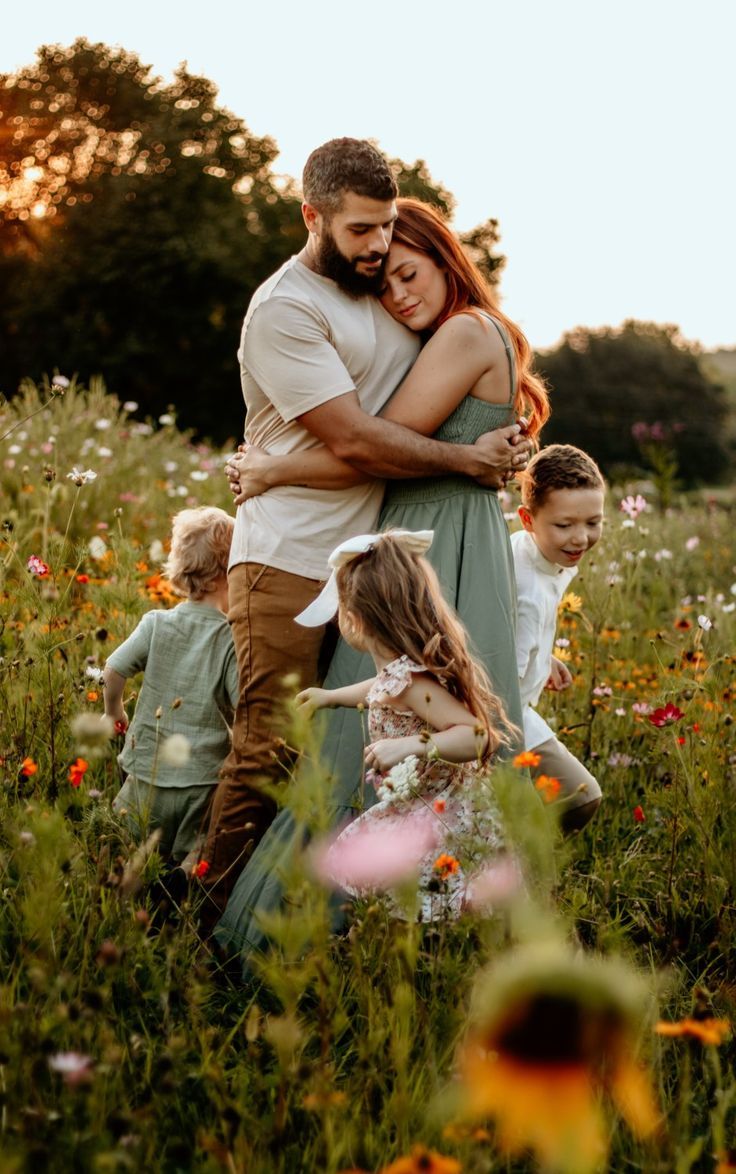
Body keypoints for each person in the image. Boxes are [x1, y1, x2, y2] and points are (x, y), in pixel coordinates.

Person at [199, 141, 532, 931]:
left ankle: (366, 911)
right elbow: (357, 440)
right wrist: (468, 458)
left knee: (358, 741)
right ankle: (215, 923)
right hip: (288, 554)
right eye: (362, 233)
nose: (380, 252)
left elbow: (441, 397)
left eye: (390, 235)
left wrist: (494, 448)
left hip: (369, 560)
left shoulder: (379, 298)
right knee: (273, 746)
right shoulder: (286, 308)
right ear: (312, 216)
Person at [297, 530, 511, 920]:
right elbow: (381, 689)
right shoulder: (397, 674)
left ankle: (422, 969)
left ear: (355, 620)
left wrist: (410, 745)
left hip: (443, 813)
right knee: (417, 903)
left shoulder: (412, 683)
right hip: (420, 804)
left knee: (435, 908)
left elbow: (479, 736)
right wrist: (330, 697)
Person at [104, 507, 239, 870]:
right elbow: (244, 707)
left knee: (128, 852)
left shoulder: (157, 624)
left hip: (144, 773)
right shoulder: (230, 638)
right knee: (194, 850)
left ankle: (126, 902)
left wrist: (113, 711)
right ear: (229, 571)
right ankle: (179, 891)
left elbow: (113, 669)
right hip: (200, 781)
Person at [512, 444, 605, 831]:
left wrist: (543, 658)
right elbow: (504, 680)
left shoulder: (544, 553)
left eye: (593, 522)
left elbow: (522, 638)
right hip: (504, 716)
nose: (580, 538)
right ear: (527, 520)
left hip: (516, 700)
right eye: (564, 525)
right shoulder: (526, 592)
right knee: (580, 798)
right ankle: (522, 865)